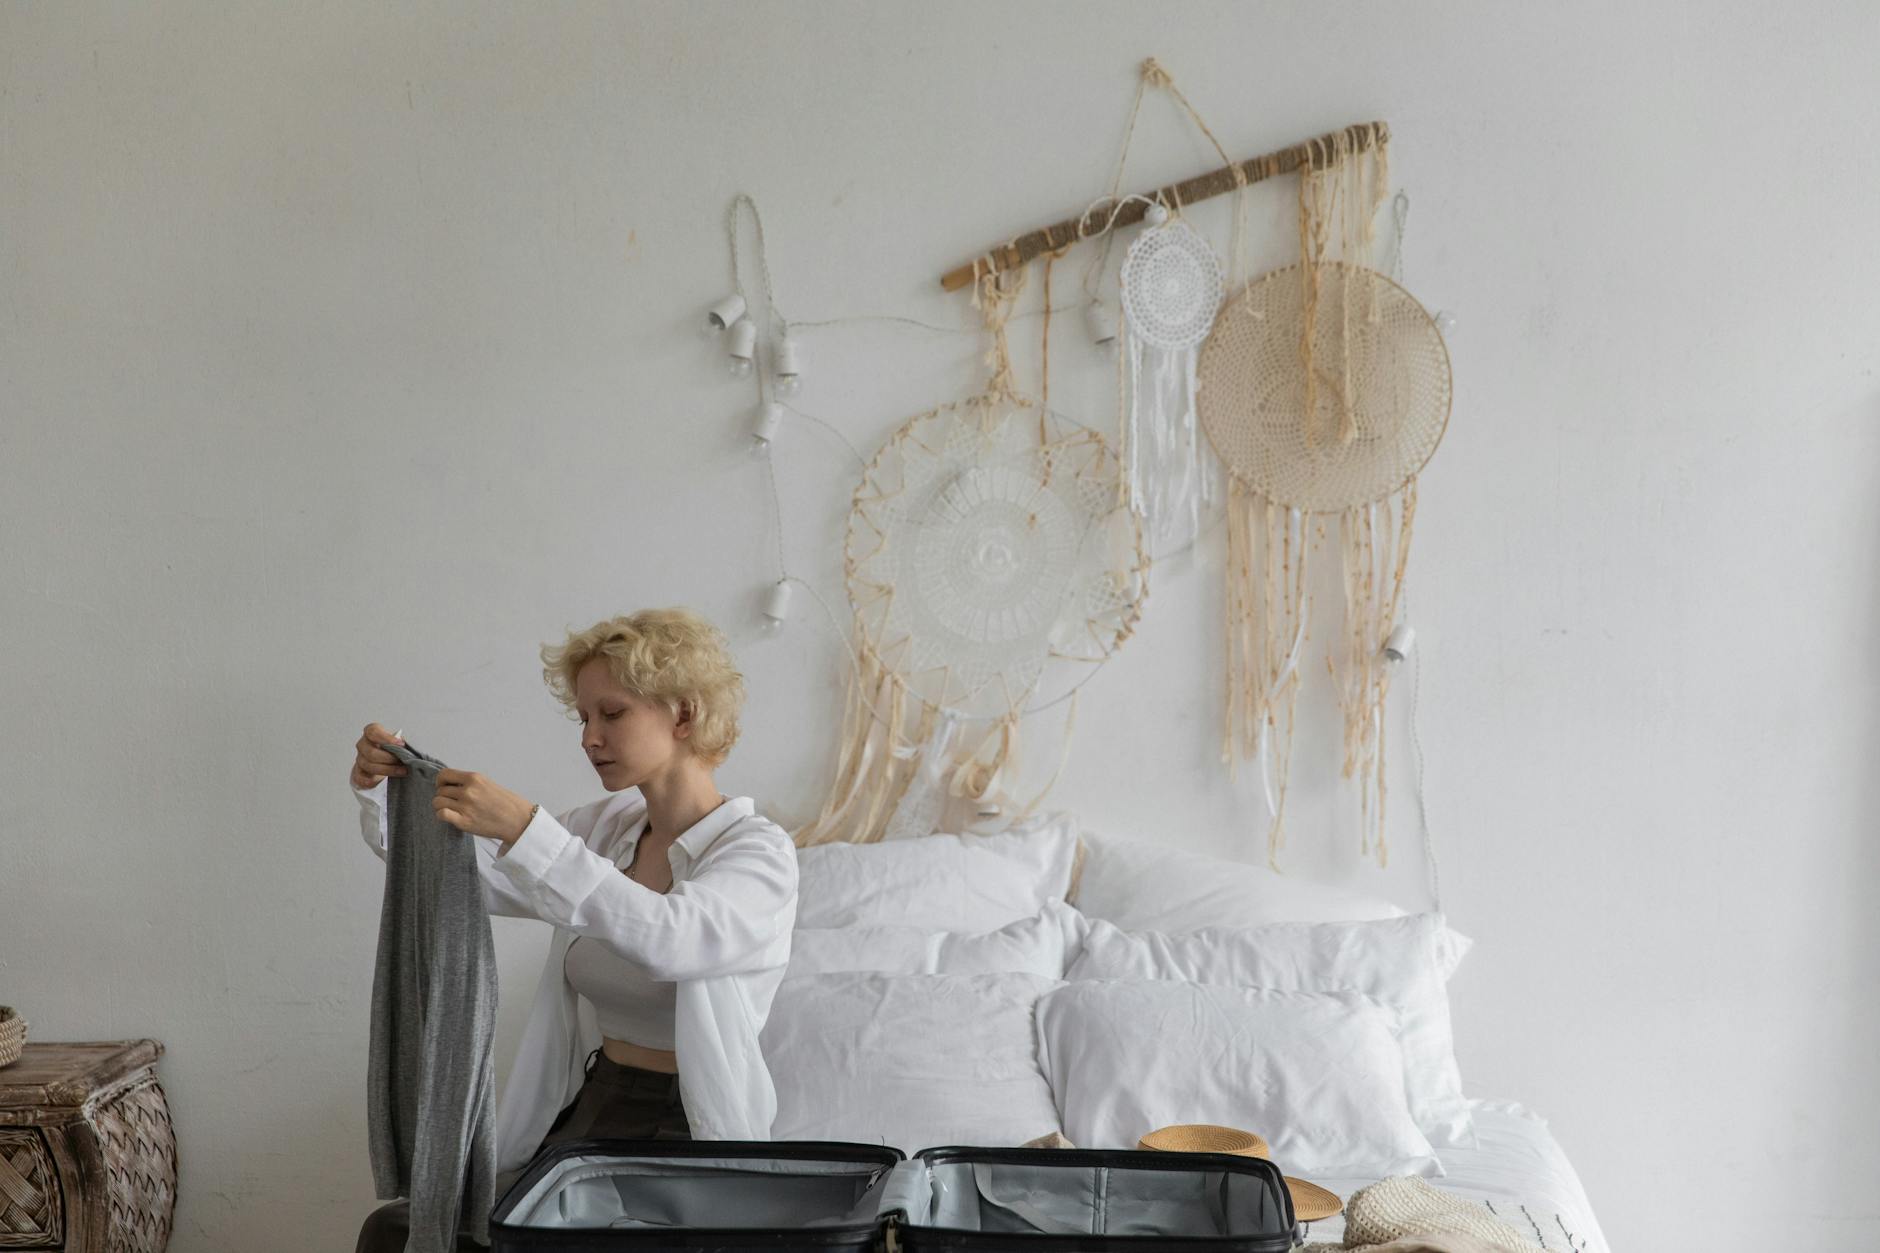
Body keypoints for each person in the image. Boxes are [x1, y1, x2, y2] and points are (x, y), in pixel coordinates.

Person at [350, 608, 799, 1251]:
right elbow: (472, 877)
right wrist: (385, 793)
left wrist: (527, 830)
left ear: (684, 715)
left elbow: (674, 940)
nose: (589, 738)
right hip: (594, 1108)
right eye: (583, 718)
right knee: (398, 1231)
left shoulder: (758, 854)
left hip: (689, 1132)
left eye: (611, 714)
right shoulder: (608, 827)